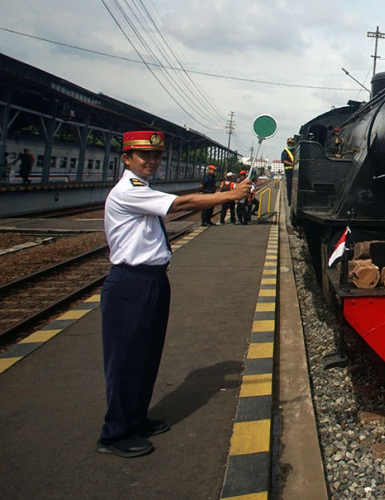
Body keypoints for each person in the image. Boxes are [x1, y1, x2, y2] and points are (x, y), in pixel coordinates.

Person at [97, 130, 250, 458]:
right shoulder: (128, 191)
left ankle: (136, 418)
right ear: (127, 158)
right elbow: (182, 203)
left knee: (147, 354)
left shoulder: (142, 188)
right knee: (126, 358)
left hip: (151, 281)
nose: (152, 161)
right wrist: (230, 195)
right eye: (144, 156)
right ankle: (114, 433)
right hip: (130, 284)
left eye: (156, 156)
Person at [281, 137, 295, 201]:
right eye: (289, 144)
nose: (290, 145)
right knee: (289, 186)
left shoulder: (295, 150)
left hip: (295, 170)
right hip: (288, 171)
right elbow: (283, 160)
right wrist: (291, 164)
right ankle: (289, 200)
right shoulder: (285, 151)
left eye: (291, 144)